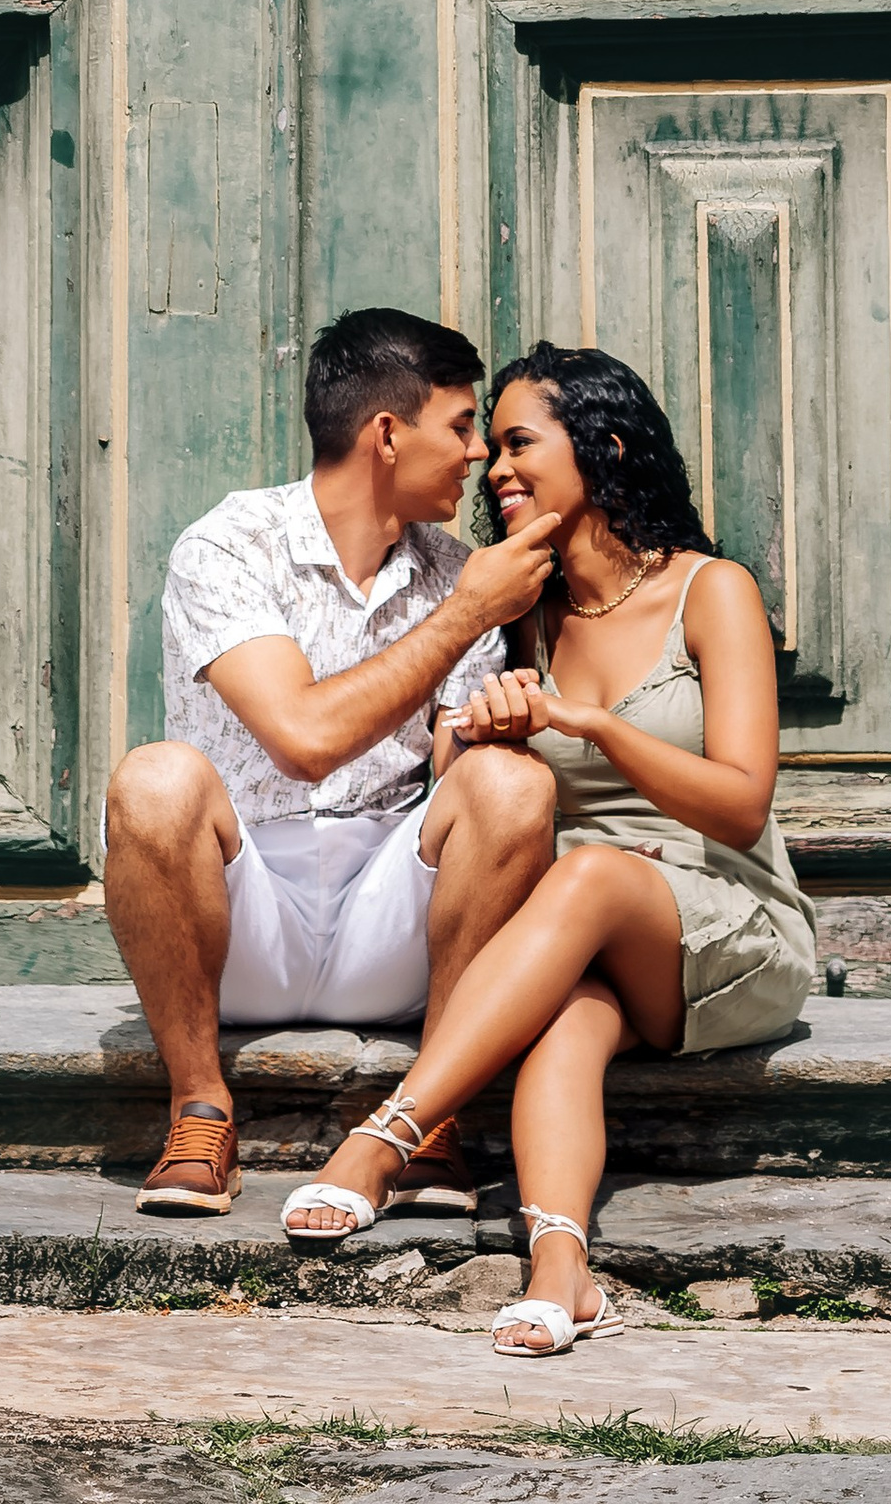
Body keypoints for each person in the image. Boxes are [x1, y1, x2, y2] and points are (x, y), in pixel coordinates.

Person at [276, 341, 816, 1355]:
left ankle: (388, 1133)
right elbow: (462, 796)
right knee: (565, 1025)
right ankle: (563, 1270)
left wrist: (596, 726)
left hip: (725, 917)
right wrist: (480, 728)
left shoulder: (711, 591)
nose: (494, 469)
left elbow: (742, 806)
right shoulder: (522, 618)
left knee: (593, 872)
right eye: (492, 449)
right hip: (582, 928)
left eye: (520, 442)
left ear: (606, 445)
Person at [103, 307, 570, 1217]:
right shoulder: (229, 545)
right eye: (463, 425)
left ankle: (429, 1116)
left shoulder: (455, 570)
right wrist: (466, 616)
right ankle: (199, 1106)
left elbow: (454, 763)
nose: (478, 455)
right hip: (242, 920)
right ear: (387, 434)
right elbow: (303, 739)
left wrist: (493, 726)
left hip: (388, 920)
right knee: (154, 777)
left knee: (514, 782)